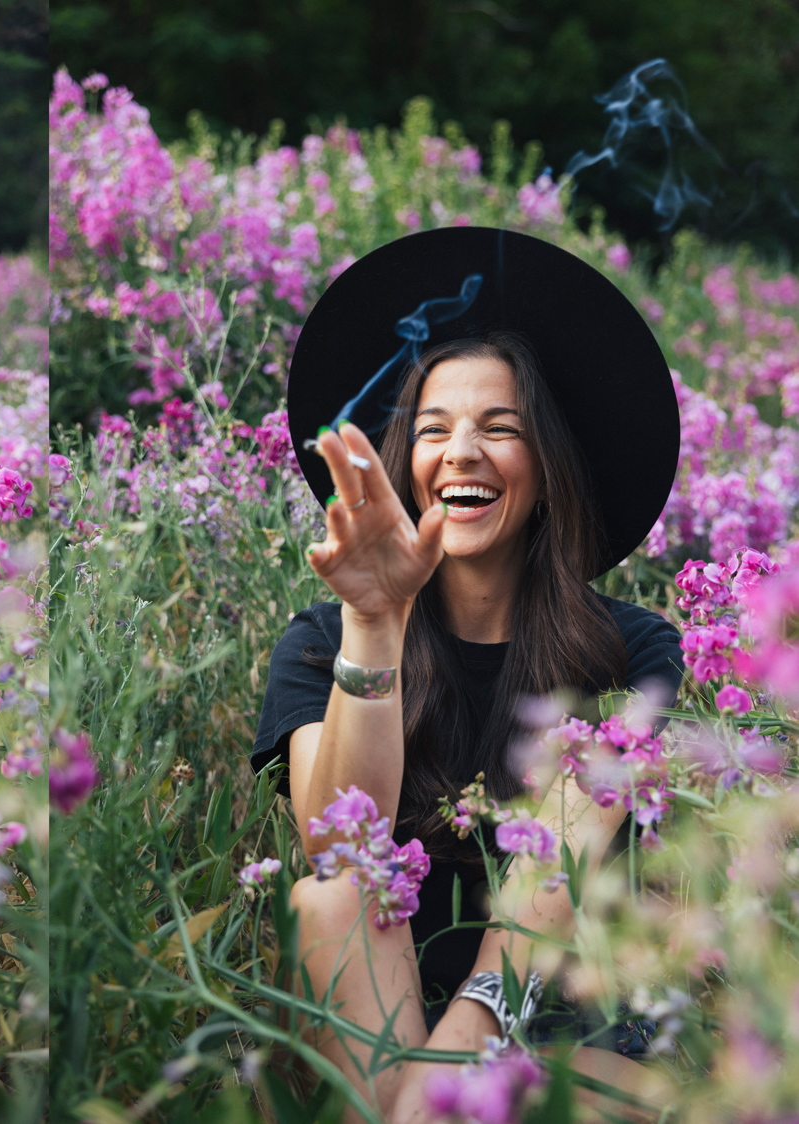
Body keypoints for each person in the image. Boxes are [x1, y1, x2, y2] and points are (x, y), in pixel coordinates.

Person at [251, 228, 684, 1121]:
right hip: (382, 1020)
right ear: (406, 463)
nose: (462, 453)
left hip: (560, 1022)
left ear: (548, 467)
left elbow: (564, 852)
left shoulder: (633, 649)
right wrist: (374, 620)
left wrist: (458, 1050)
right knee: (329, 900)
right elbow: (341, 844)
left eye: (501, 428)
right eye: (434, 430)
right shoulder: (316, 640)